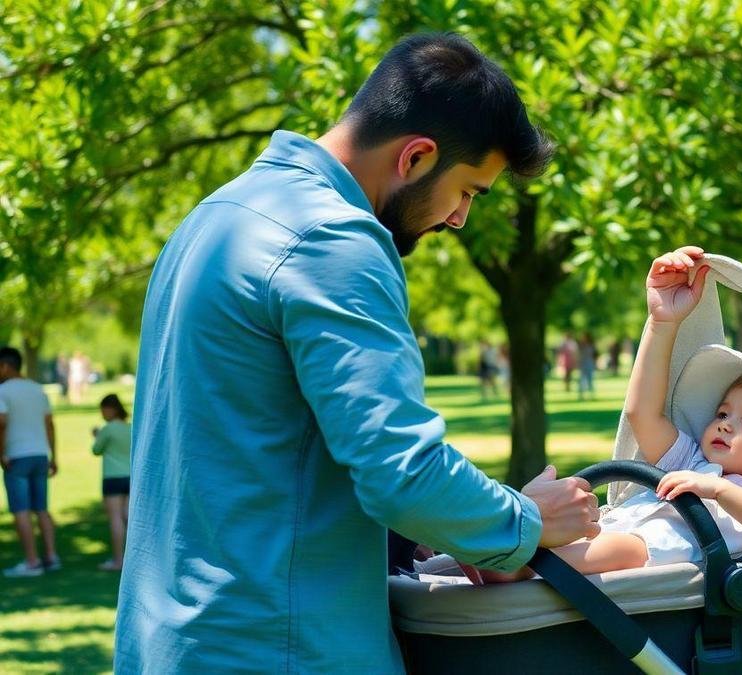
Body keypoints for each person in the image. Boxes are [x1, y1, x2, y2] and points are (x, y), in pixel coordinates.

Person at [114, 33, 599, 673]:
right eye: (470, 191)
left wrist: (470, 529)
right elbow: (402, 473)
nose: (459, 219)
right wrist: (526, 520)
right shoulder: (334, 239)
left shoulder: (217, 214)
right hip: (279, 648)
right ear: (418, 157)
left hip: (173, 640)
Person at [477, 247, 742, 581]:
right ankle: (503, 551)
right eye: (722, 413)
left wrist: (718, 490)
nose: (725, 425)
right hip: (617, 526)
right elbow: (642, 414)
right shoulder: (692, 461)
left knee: (624, 549)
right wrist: (661, 322)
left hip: (654, 547)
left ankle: (516, 568)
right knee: (590, 531)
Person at [0, 346, 60, 577]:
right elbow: (50, 424)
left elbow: (2, 423)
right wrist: (54, 456)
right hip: (40, 455)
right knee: (42, 509)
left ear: (5, 366)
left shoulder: (3, 392)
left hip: (16, 457)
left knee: (21, 510)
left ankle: (32, 562)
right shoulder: (38, 390)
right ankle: (51, 557)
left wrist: (1, 453)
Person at [92, 394, 132, 571]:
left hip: (112, 477)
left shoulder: (108, 429)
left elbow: (96, 450)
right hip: (130, 476)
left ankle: (118, 559)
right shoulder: (131, 427)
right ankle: (136, 559)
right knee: (129, 517)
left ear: (110, 409)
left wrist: (96, 435)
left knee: (116, 519)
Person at [577, 332, 597, 400]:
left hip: (589, 363)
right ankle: (581, 395)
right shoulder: (581, 346)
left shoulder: (591, 345)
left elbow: (594, 355)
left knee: (590, 379)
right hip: (583, 364)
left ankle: (591, 394)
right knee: (582, 380)